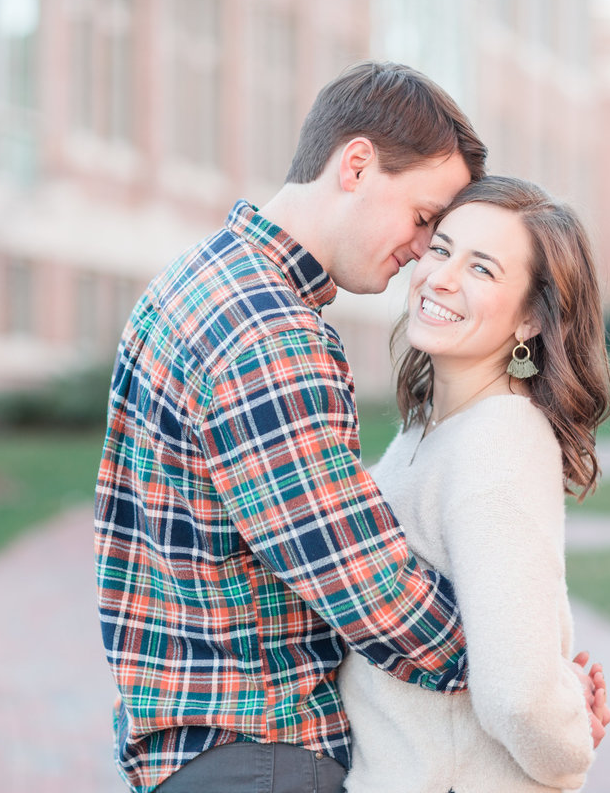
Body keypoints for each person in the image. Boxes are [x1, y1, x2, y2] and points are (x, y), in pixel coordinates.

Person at [94, 60, 492, 793]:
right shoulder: (269, 326)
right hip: (263, 756)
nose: (420, 250)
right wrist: (515, 670)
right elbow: (357, 574)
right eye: (424, 216)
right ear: (358, 164)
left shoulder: (186, 284)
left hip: (196, 756)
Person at [337, 175, 610, 792]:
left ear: (530, 323)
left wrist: (569, 739)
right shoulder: (426, 437)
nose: (441, 276)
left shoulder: (501, 440)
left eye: (483, 269)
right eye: (442, 248)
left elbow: (518, 694)